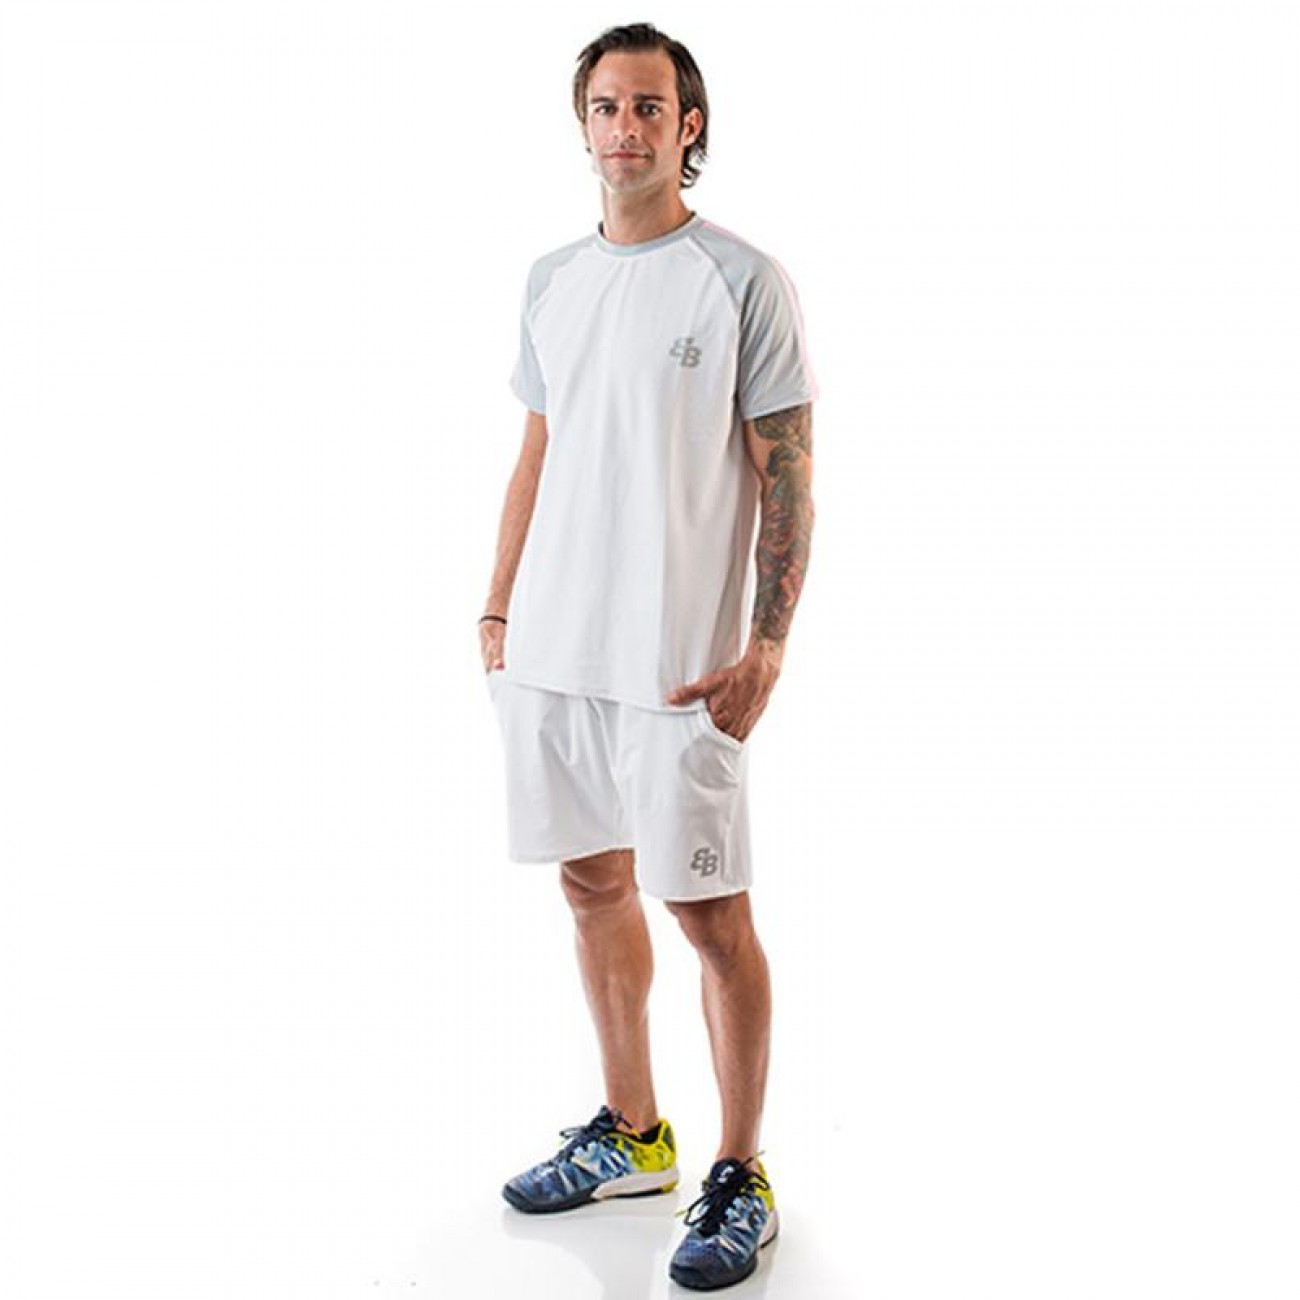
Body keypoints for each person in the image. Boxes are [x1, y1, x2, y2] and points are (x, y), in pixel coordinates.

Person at [479, 22, 817, 1292]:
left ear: (689, 127)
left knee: (710, 915)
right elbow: (540, 446)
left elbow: (789, 476)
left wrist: (765, 647)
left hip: (680, 666)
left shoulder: (741, 281)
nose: (625, 127)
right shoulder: (550, 279)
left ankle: (739, 1168)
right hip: (554, 650)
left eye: (650, 107)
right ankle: (633, 1132)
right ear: (583, 126)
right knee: (589, 885)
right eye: (606, 106)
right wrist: (497, 611)